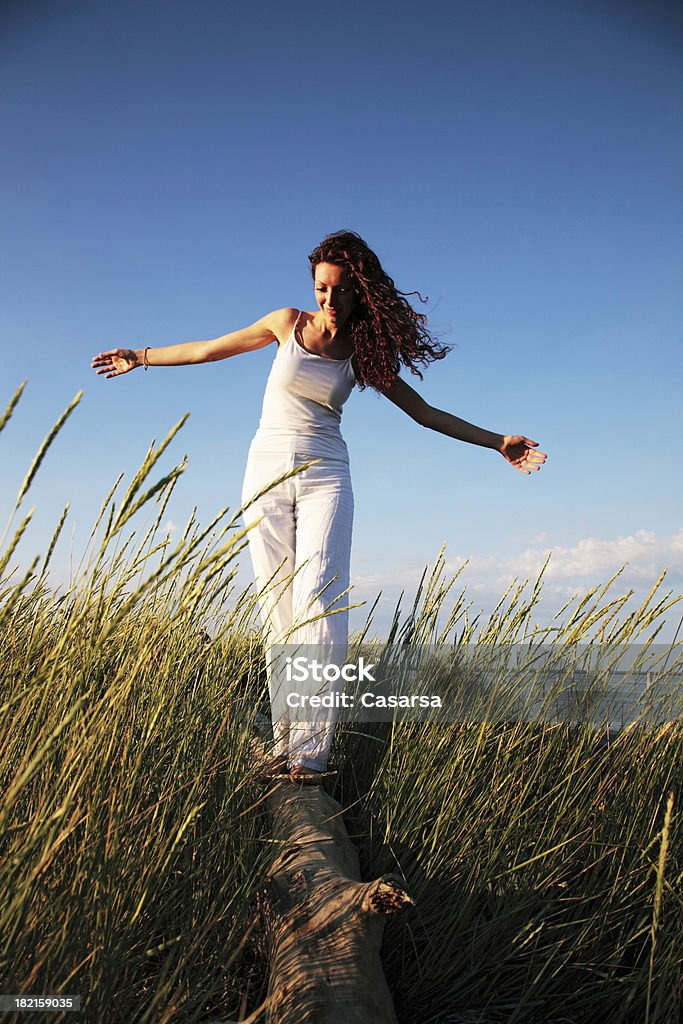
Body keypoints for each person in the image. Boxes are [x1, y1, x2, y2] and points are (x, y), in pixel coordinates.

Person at [91, 230, 547, 783]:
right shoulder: (285, 323)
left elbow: (426, 414)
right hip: (264, 470)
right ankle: (285, 743)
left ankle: (311, 755)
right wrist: (140, 357)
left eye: (339, 290)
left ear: (360, 294)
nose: (328, 300)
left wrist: (498, 441)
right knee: (277, 606)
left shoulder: (364, 355)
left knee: (318, 596)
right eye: (321, 289)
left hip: (327, 473)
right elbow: (210, 349)